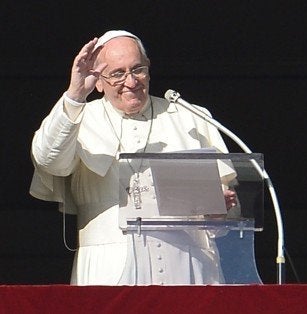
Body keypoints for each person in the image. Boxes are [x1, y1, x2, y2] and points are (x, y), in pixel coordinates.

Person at [29, 30, 238, 285]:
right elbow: (49, 160)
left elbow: (233, 209)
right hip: (108, 269)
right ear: (97, 80)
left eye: (138, 69)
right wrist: (74, 96)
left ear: (149, 69)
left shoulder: (190, 117)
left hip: (189, 267)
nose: (131, 81)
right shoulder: (78, 118)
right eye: (117, 73)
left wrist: (220, 213)